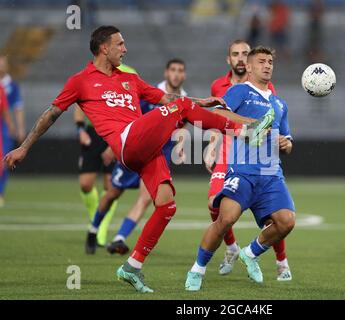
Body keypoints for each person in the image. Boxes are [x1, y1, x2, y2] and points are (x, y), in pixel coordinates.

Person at [4, 26, 273, 293]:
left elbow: (168, 98)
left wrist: (199, 101)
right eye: (119, 44)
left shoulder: (129, 79)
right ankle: (245, 130)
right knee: (183, 110)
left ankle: (132, 267)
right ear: (103, 48)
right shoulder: (80, 81)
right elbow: (52, 113)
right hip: (124, 142)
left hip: (142, 149)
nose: (125, 49)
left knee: (167, 205)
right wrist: (24, 147)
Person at [185, 46, 296, 291]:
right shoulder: (240, 91)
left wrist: (285, 143)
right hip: (242, 170)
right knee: (225, 220)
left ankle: (250, 253)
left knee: (286, 221)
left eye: (270, 62)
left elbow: (288, 143)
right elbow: (219, 114)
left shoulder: (280, 104)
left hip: (271, 173)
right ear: (251, 66)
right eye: (262, 61)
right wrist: (250, 125)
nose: (267, 65)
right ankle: (197, 269)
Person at [101, 58, 188, 255]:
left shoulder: (184, 98)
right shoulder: (151, 93)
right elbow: (128, 117)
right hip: (134, 148)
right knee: (113, 193)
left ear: (184, 75)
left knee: (146, 198)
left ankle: (119, 238)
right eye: (173, 70)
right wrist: (112, 145)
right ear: (166, 73)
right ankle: (94, 228)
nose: (176, 74)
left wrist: (181, 145)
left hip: (157, 154)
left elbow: (182, 126)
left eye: (180, 70)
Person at [74, 104, 117, 249]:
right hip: (92, 133)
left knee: (110, 186)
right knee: (85, 185)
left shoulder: (121, 82)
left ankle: (102, 228)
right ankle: (95, 217)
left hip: (114, 133)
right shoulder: (89, 82)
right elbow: (79, 105)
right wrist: (80, 130)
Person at [0, 55, 24, 206]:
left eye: (3, 63)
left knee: (4, 160)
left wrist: (19, 128)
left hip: (4, 128)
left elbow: (16, 108)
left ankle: (0, 192)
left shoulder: (12, 86)